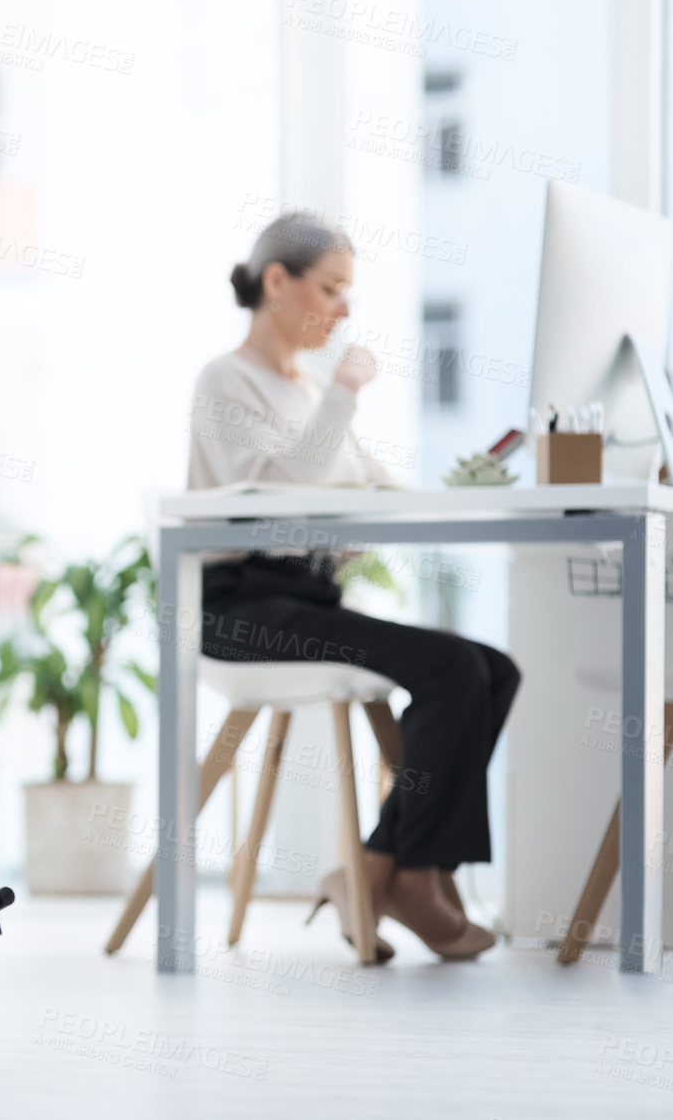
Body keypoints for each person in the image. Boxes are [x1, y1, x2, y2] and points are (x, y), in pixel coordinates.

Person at [187, 211, 515, 961]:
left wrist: (470, 491)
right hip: (238, 609)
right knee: (453, 669)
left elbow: (367, 484)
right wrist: (343, 391)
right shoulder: (226, 380)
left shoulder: (306, 390)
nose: (343, 311)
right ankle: (410, 876)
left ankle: (380, 869)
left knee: (493, 667)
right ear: (277, 281)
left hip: (306, 600)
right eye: (331, 289)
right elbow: (292, 485)